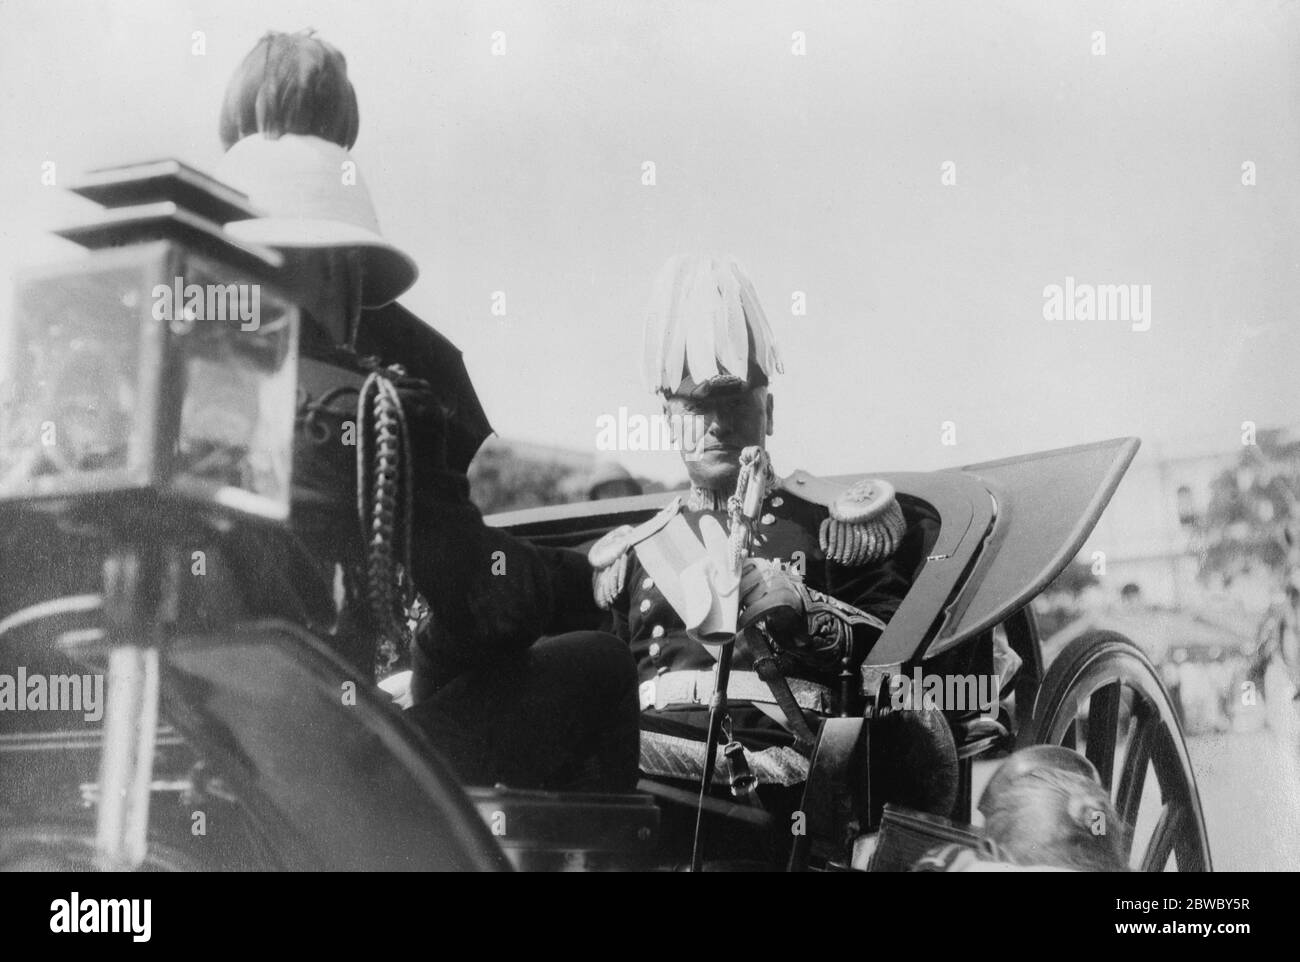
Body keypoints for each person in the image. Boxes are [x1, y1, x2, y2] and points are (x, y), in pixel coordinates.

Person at [211, 33, 639, 792]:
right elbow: (489, 608)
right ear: (343, 269)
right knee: (601, 667)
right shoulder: (372, 414)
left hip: (211, 772)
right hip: (328, 787)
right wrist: (591, 579)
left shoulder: (180, 402)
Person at [590, 254, 933, 794]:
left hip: (780, 764)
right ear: (669, 422)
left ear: (768, 411)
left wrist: (806, 614)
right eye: (697, 407)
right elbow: (609, 683)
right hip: (645, 770)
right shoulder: (637, 551)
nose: (720, 423)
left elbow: (899, 667)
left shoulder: (834, 522)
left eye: (735, 402)